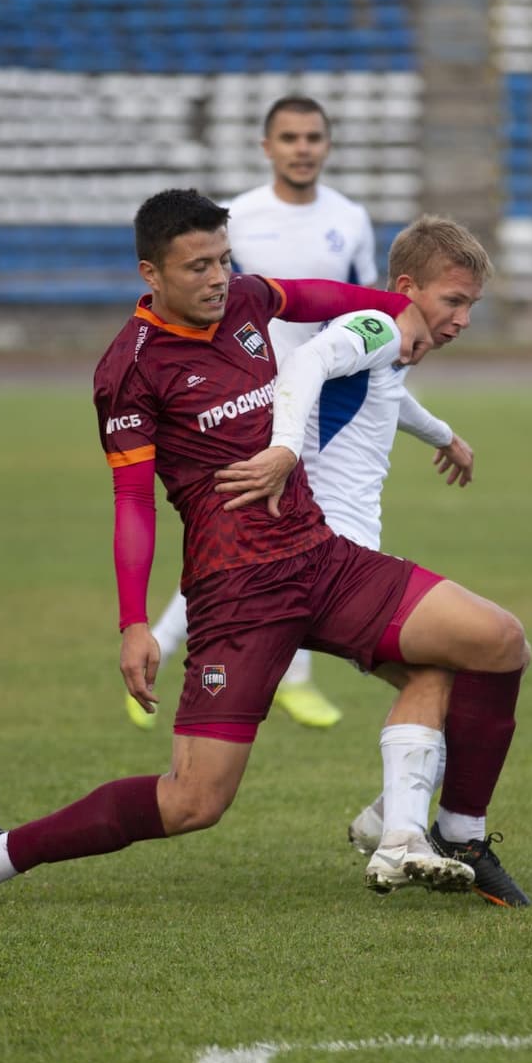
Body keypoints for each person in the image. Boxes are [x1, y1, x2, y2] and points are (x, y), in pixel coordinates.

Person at [0, 189, 531, 905]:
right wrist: (134, 621)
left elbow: (314, 296)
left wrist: (393, 310)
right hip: (238, 592)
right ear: (151, 274)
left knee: (492, 642)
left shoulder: (245, 303)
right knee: (194, 802)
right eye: (197, 266)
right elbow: (132, 502)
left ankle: (457, 835)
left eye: (224, 260)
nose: (218, 279)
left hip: (322, 559)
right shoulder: (129, 370)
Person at [221, 214, 529, 907]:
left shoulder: (390, 342)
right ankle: (434, 835)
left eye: (471, 306)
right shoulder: (378, 323)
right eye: (453, 301)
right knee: (497, 644)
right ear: (405, 287)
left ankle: (396, 829)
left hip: (318, 566)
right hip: (330, 565)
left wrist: (445, 435)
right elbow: (310, 362)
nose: (463, 319)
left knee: (438, 676)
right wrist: (285, 450)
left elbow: (384, 394)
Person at [136, 95, 378, 731]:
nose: (303, 148)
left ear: (328, 145)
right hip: (245, 407)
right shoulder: (237, 219)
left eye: (313, 137)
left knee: (306, 544)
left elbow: (358, 306)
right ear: (266, 146)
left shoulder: (350, 219)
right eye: (290, 137)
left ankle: (291, 676)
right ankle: (166, 647)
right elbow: (208, 308)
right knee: (241, 543)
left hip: (329, 404)